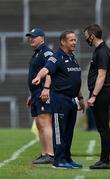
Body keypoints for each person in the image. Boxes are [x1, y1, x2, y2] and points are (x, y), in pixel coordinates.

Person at [32, 31, 85, 169]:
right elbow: (46, 69)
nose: (74, 42)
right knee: (59, 131)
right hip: (60, 99)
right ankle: (58, 160)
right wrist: (38, 77)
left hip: (72, 100)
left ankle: (67, 158)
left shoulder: (72, 57)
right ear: (63, 42)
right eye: (71, 40)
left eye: (75, 40)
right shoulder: (57, 57)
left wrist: (80, 98)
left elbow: (74, 80)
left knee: (68, 131)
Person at [84, 24, 110, 169]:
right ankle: (104, 159)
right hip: (99, 93)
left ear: (92, 36)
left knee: (103, 127)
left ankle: (105, 160)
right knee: (102, 127)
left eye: (86, 37)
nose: (86, 40)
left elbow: (101, 76)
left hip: (101, 93)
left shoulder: (102, 51)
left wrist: (94, 95)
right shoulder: (99, 50)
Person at [26, 28, 54, 164]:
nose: (31, 39)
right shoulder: (37, 53)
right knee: (39, 123)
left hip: (43, 92)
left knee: (45, 122)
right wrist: (32, 94)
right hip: (36, 93)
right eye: (30, 37)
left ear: (42, 38)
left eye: (34, 37)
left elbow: (50, 71)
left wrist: (46, 88)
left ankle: (50, 154)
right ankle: (44, 153)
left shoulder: (46, 52)